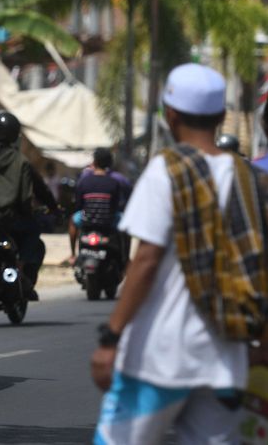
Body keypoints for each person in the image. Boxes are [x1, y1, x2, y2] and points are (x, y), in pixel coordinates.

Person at [91, 63, 255, 444]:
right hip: (226, 361)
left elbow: (146, 260)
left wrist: (111, 336)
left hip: (159, 358)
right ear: (219, 117)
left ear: (170, 114)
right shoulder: (251, 180)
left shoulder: (166, 171)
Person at [0, 110, 45, 299]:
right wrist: (30, 212)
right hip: (8, 220)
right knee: (33, 231)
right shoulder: (21, 161)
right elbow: (25, 198)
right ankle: (22, 270)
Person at [68, 148, 124, 265]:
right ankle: (125, 258)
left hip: (87, 222)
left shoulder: (84, 182)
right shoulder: (114, 183)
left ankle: (73, 254)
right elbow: (115, 206)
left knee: (73, 220)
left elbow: (79, 206)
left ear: (94, 162)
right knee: (126, 224)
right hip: (107, 223)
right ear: (110, 164)